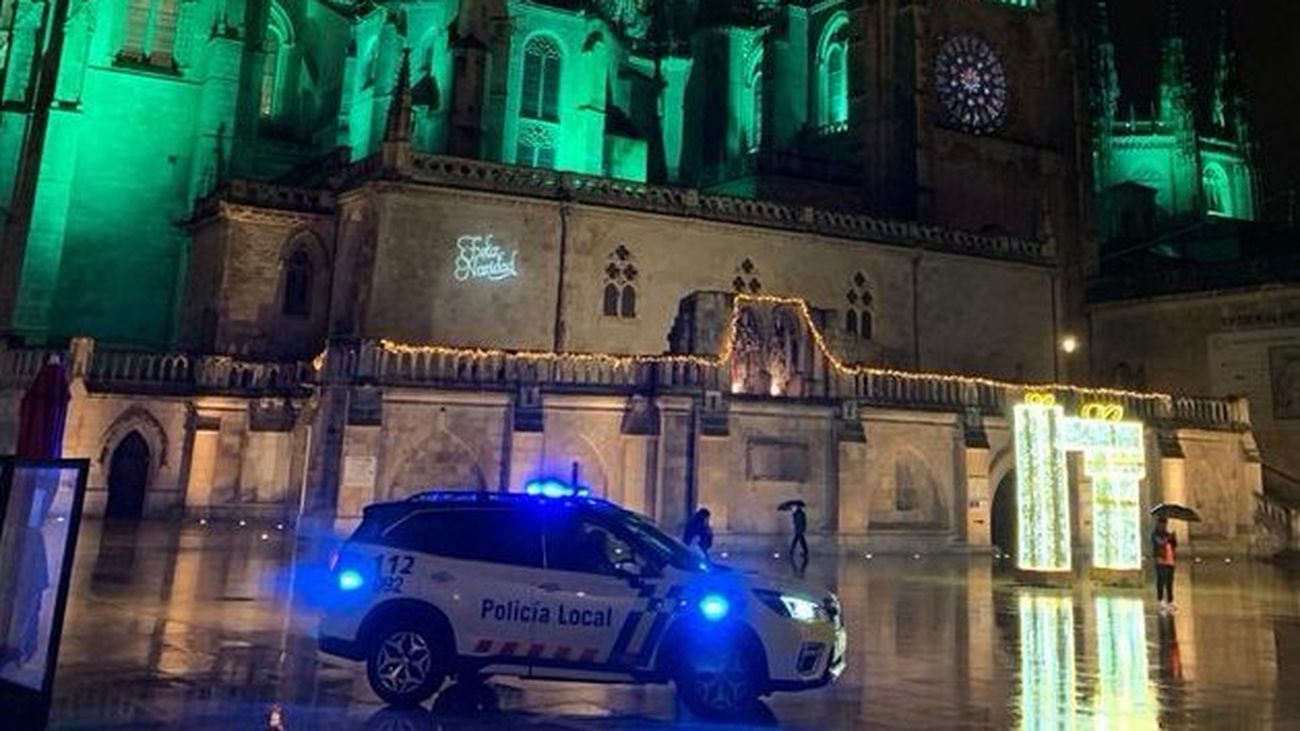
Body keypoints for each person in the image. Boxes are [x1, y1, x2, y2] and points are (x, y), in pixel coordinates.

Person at [1152, 517, 1178, 611]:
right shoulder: (1155, 534)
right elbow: (1160, 543)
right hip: (1160, 560)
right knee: (1161, 580)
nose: (1163, 526)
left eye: (1165, 524)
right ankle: (1160, 600)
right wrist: (1168, 538)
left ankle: (1170, 601)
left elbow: (1174, 545)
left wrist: (1174, 538)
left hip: (1170, 560)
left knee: (1170, 581)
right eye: (1161, 524)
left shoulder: (1167, 534)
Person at [790, 505, 809, 572]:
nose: (792, 508)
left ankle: (791, 551)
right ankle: (805, 552)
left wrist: (800, 530)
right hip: (799, 530)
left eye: (793, 507)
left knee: (796, 541)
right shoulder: (799, 514)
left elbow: (799, 522)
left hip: (799, 530)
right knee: (802, 541)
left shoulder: (798, 514)